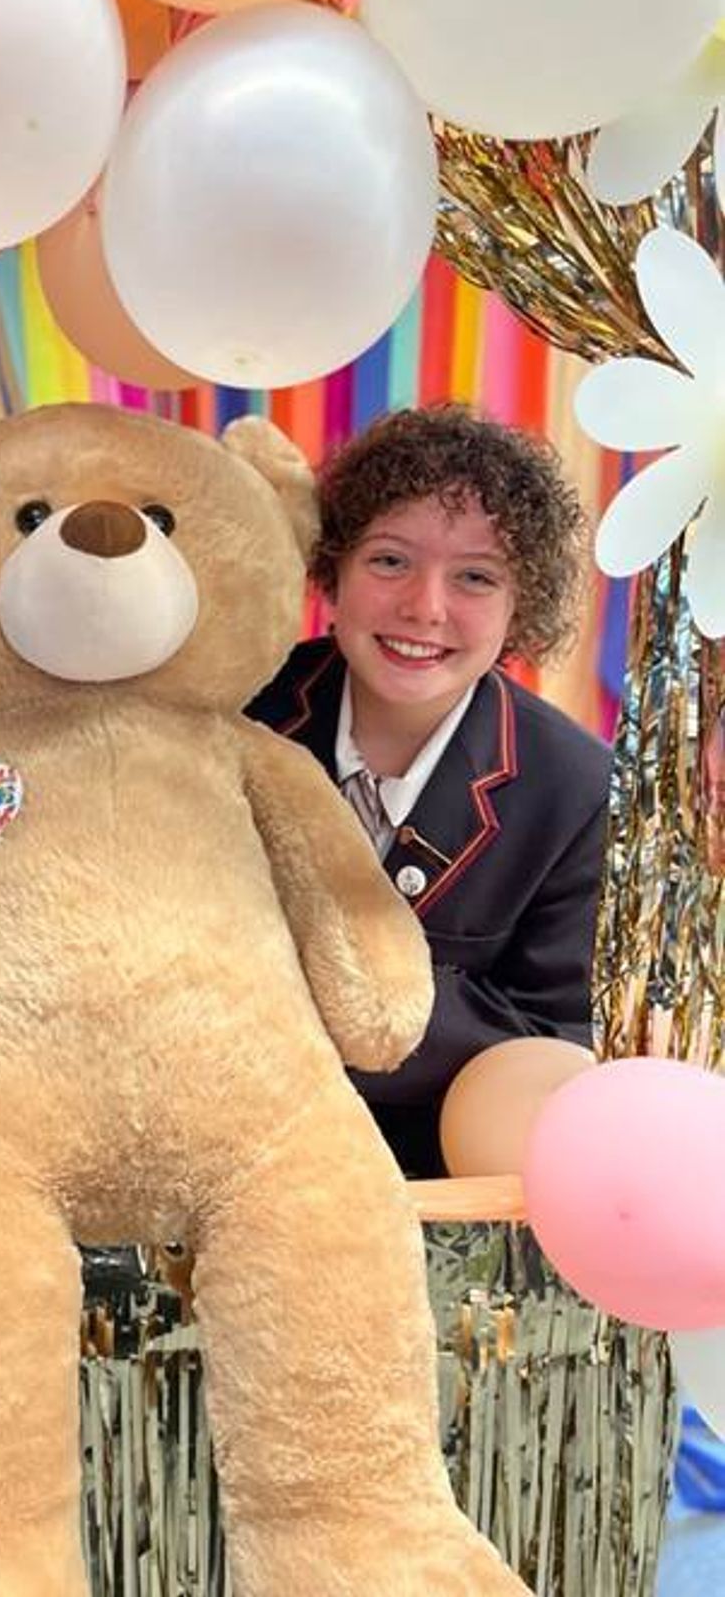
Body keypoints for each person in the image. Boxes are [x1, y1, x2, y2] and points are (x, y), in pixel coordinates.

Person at [247, 404, 609, 1179]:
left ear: (522, 604)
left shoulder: (577, 790)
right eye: (389, 560)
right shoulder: (236, 710)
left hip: (426, 1187)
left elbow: (557, 1041)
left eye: (476, 576)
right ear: (334, 568)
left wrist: (318, 984)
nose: (424, 606)